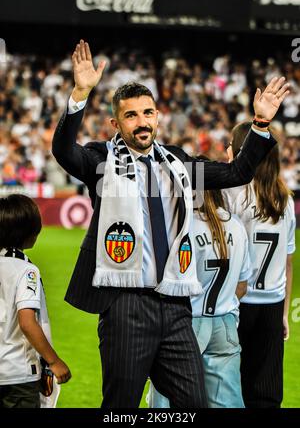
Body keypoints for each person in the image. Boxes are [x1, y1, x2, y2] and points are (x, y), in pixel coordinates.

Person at [52, 39, 289, 408]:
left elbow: (236, 172)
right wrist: (80, 94)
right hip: (127, 305)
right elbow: (64, 152)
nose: (142, 122)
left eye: (148, 113)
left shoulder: (177, 163)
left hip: (178, 305)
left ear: (158, 117)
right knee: (122, 407)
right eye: (131, 116)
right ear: (116, 122)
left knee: (193, 404)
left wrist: (260, 123)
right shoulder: (102, 160)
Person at [148, 184, 250, 408]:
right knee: (227, 404)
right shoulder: (236, 224)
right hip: (225, 324)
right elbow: (242, 285)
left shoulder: (183, 226)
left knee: (166, 404)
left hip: (184, 323)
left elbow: (166, 284)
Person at [224, 121, 296, 408]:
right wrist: (283, 312)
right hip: (272, 304)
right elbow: (288, 264)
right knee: (266, 392)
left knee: (229, 388)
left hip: (236, 302)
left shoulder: (234, 194)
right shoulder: (286, 201)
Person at [0, 194, 71, 408]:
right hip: (17, 376)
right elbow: (27, 322)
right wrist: (54, 361)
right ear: (29, 233)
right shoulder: (26, 270)